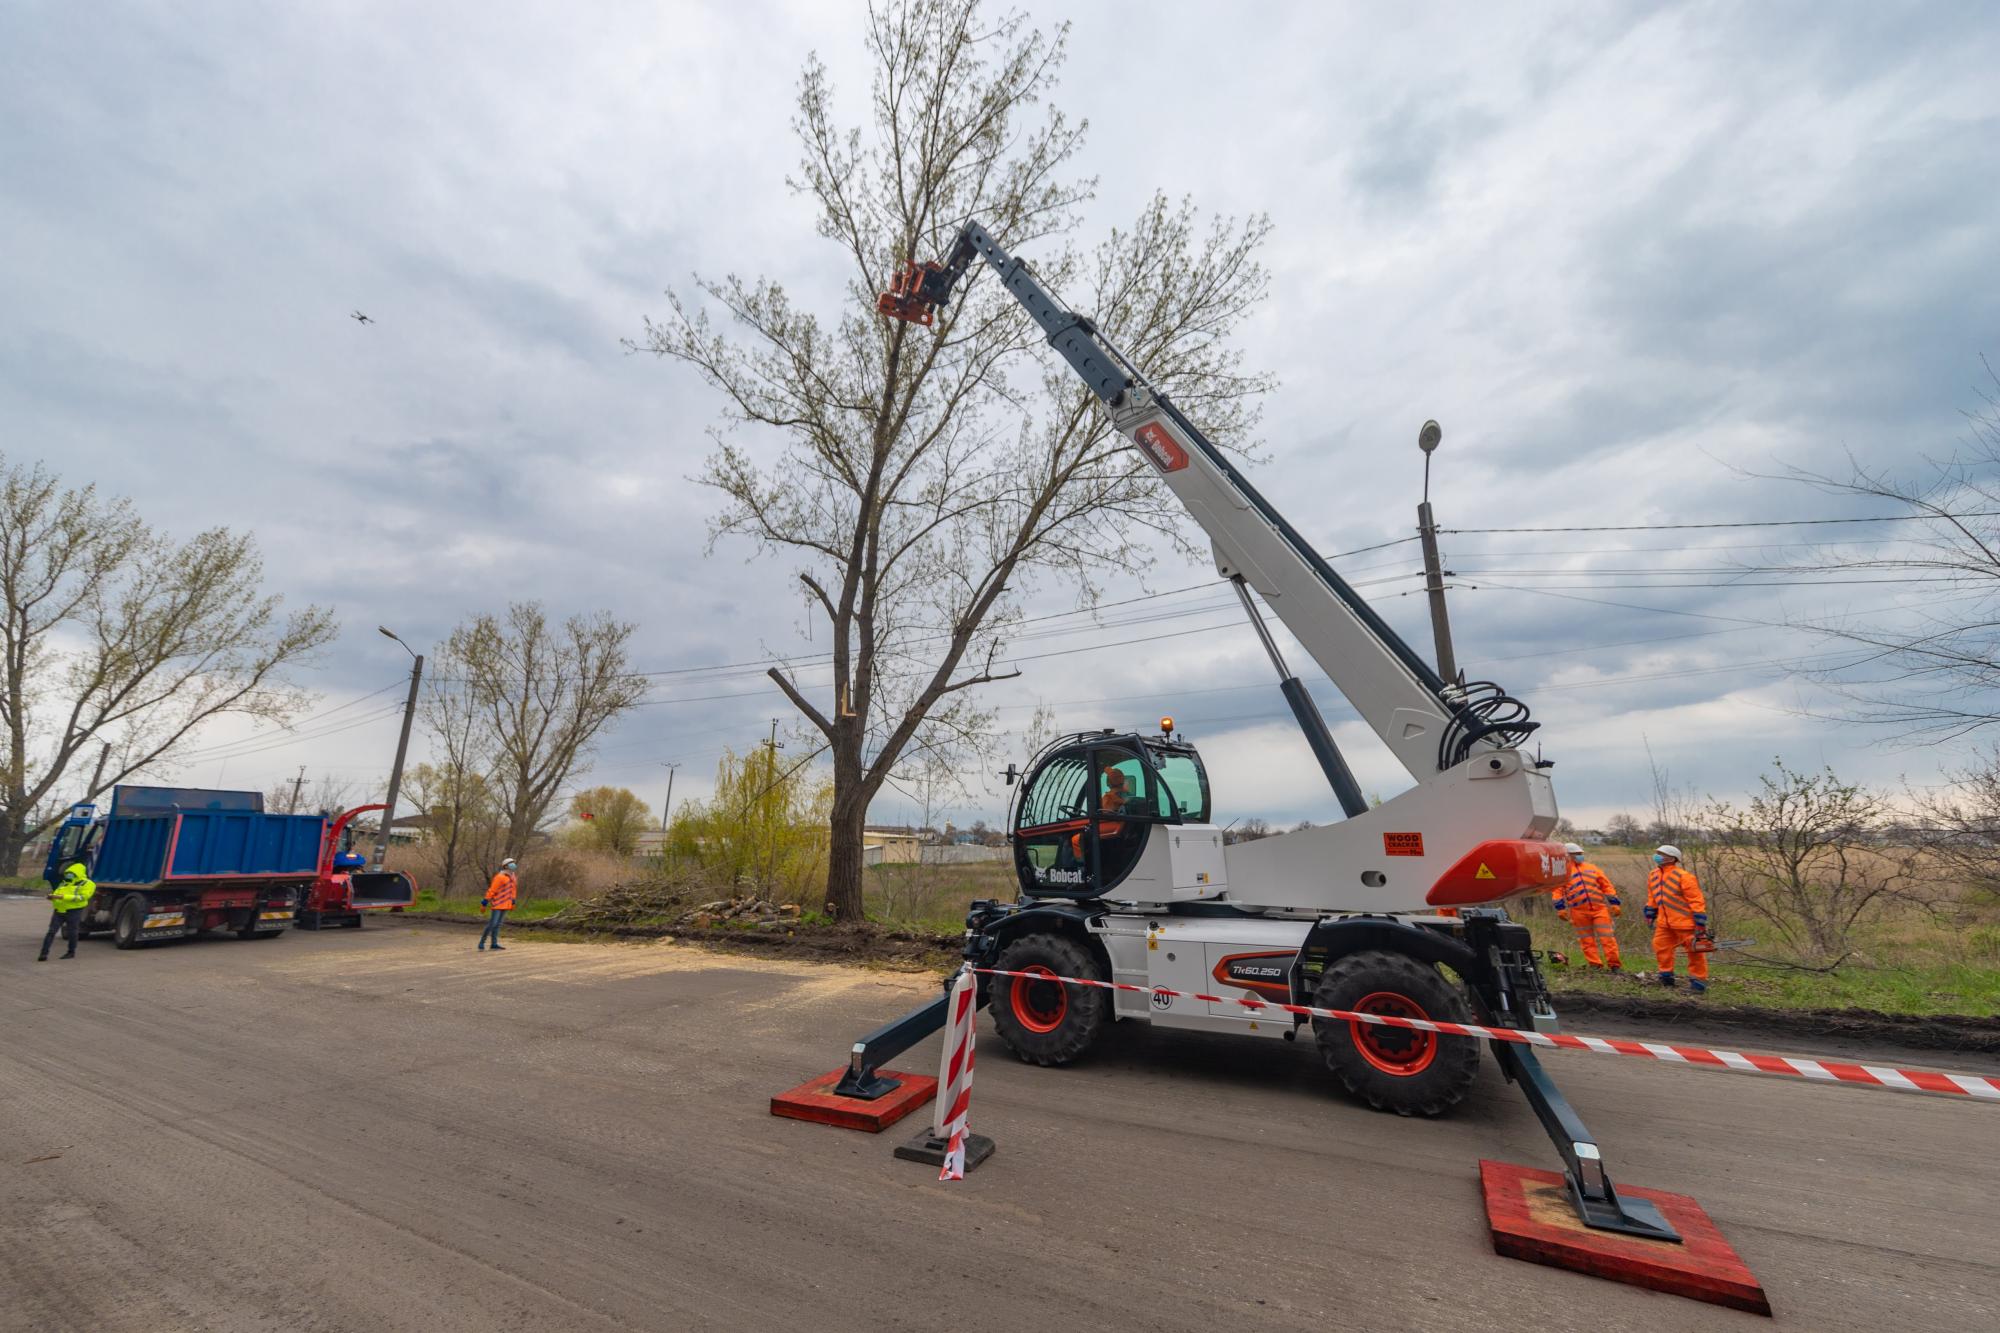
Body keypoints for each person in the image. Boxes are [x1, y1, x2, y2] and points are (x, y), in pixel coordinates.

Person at [1645, 844, 1709, 993]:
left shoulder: (1684, 876)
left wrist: (1700, 921)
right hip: (1664, 923)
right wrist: (1650, 913)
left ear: (1672, 858)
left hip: (1685, 923)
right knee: (1661, 949)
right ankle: (1666, 978)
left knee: (1695, 952)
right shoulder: (1653, 875)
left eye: (1661, 854)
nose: (1657, 856)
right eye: (1657, 853)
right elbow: (1652, 897)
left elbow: (1696, 900)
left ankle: (1698, 983)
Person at [1553, 842, 1623, 971]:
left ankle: (1614, 965)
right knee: (1586, 940)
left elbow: (1606, 886)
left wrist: (1615, 903)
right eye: (1577, 854)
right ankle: (1595, 964)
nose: (1580, 856)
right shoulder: (1563, 872)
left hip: (1600, 909)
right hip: (1578, 912)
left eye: (1581, 853)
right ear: (1568, 856)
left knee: (1607, 938)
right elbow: (1557, 891)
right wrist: (1560, 908)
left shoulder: (1592, 868)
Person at [39, 861, 96, 962]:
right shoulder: (64, 883)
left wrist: (62, 897)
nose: (69, 876)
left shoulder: (88, 884)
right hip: (59, 910)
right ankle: (43, 953)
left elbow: (83, 897)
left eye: (72, 874)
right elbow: (57, 893)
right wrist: (53, 897)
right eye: (68, 874)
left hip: (74, 911)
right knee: (51, 932)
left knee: (72, 932)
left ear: (78, 874)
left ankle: (71, 952)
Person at [1069, 767, 1129, 861]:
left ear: (1109, 782)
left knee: (1075, 839)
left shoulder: (1109, 797)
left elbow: (1102, 814)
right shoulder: (1125, 795)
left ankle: (1080, 864)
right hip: (1114, 826)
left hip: (1107, 826)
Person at [480, 858, 518, 951]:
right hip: (497, 904)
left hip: (506, 904)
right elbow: (492, 890)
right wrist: (485, 902)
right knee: (492, 924)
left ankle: (494, 944)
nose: (513, 864)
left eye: (513, 863)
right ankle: (482, 942)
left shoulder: (513, 876)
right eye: (511, 863)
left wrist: (513, 901)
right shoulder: (499, 877)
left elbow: (513, 890)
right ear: (505, 866)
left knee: (498, 925)